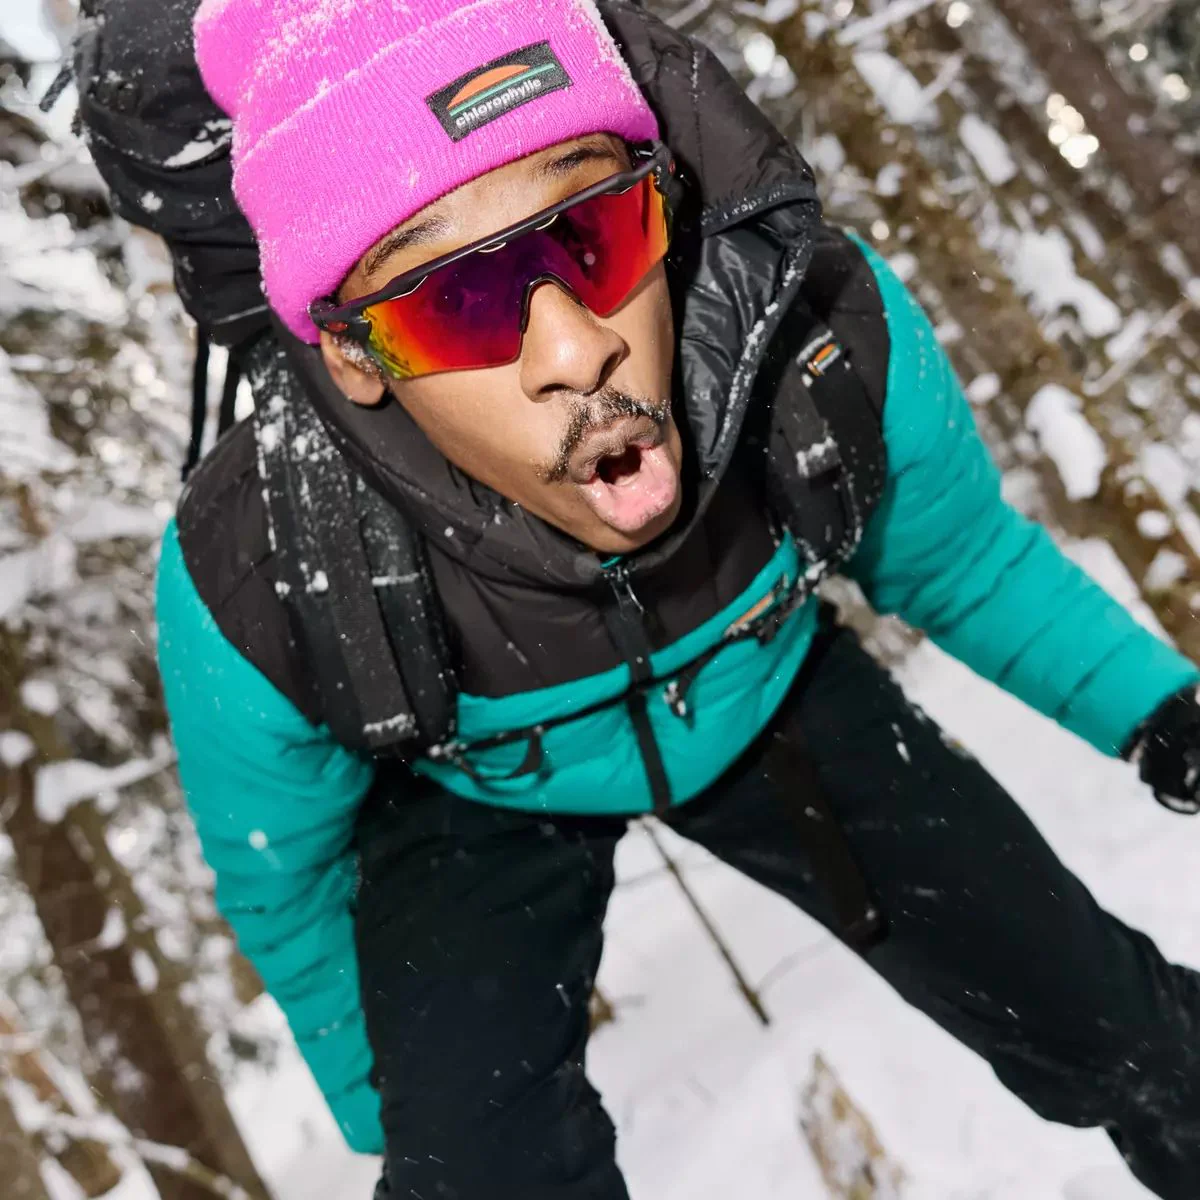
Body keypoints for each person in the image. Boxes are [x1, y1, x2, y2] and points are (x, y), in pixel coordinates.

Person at [155, 1, 1200, 1196]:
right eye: (456, 302)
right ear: (352, 354)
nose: (574, 350)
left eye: (594, 232)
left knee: (1124, 1033)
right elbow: (277, 869)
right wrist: (389, 1103)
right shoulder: (257, 565)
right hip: (480, 794)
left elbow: (959, 559)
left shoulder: (812, 335)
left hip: (767, 683)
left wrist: (1158, 708)